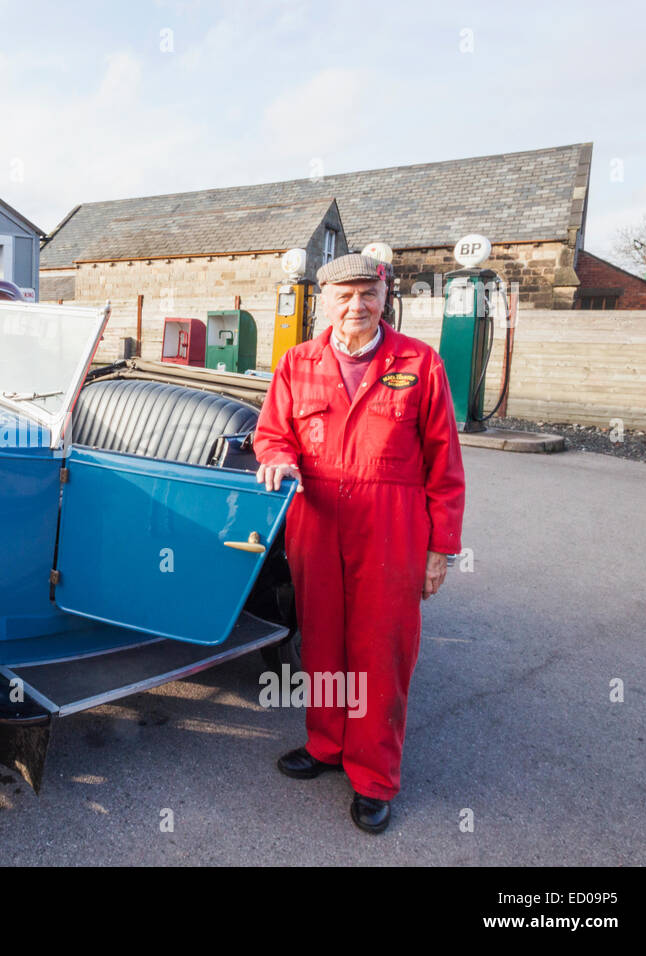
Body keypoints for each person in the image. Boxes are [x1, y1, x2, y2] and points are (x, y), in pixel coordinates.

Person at [252, 253, 466, 834]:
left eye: (367, 294)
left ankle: (373, 776)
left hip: (393, 526)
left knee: (380, 653)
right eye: (344, 295)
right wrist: (277, 457)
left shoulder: (420, 364)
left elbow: (445, 463)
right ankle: (326, 744)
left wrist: (439, 549)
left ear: (384, 295)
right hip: (317, 521)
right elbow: (272, 432)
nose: (356, 306)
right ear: (324, 298)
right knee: (321, 641)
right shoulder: (298, 363)